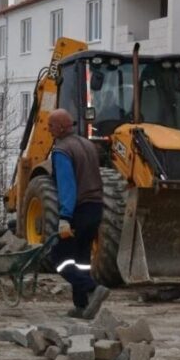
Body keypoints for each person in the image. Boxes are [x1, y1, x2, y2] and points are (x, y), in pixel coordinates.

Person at [49, 108, 111, 319]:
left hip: (78, 210)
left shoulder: (62, 150)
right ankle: (82, 305)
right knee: (82, 259)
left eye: (50, 126)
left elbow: (67, 186)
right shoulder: (88, 145)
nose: (48, 130)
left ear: (59, 128)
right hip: (96, 208)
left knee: (59, 258)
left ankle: (92, 288)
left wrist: (65, 218)